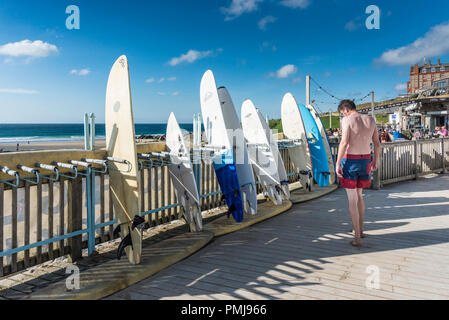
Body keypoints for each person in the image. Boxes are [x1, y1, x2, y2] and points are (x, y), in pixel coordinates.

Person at [336, 100, 380, 247]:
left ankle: (357, 238)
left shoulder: (347, 119)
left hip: (350, 161)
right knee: (360, 196)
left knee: (352, 199)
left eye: (342, 112)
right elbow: (377, 143)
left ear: (346, 109)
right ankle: (360, 230)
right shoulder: (371, 119)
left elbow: (344, 143)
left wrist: (337, 163)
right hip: (366, 160)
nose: (343, 114)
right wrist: (376, 161)